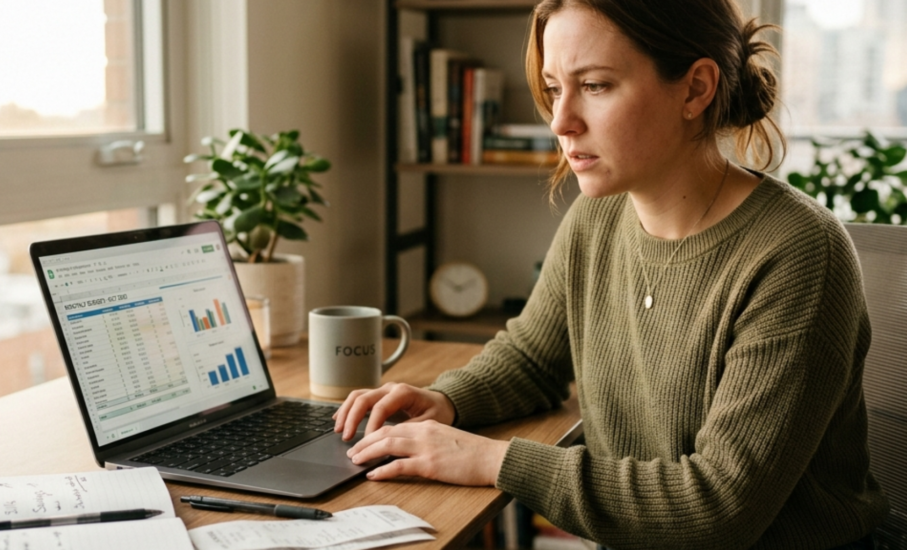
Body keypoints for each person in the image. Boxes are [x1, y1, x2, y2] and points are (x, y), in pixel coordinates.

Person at [333, 0, 889, 548]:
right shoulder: (598, 216)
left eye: (595, 86)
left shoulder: (798, 254)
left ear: (695, 89)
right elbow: (531, 359)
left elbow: (718, 506)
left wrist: (489, 459)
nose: (560, 121)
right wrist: (446, 401)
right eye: (554, 88)